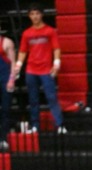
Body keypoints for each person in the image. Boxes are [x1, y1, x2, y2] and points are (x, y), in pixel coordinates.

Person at [14, 3, 65, 134]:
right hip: (31, 70)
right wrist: (18, 66)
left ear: (41, 15)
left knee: (51, 97)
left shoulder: (50, 31)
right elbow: (23, 51)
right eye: (32, 14)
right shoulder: (27, 33)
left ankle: (59, 125)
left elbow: (56, 48)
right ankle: (35, 126)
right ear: (29, 16)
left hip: (46, 70)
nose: (35, 16)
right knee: (33, 99)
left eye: (37, 13)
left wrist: (56, 64)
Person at [0, 31, 16, 150]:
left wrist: (11, 80)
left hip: (5, 80)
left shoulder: (7, 42)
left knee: (5, 110)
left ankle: (3, 138)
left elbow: (13, 63)